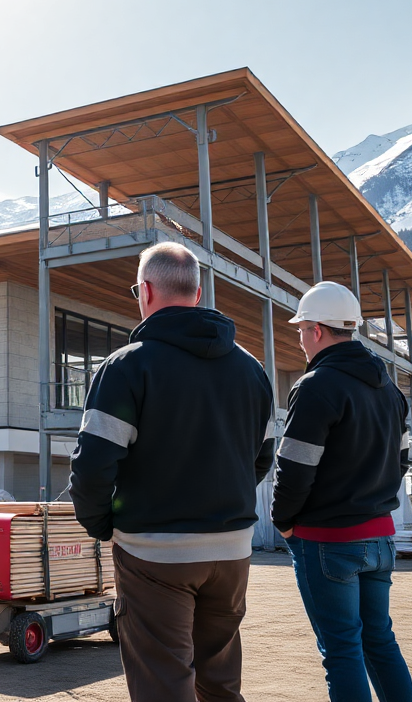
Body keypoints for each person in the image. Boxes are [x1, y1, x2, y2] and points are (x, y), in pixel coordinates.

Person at [70, 242, 273, 702]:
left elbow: (92, 467)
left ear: (145, 291)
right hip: (233, 552)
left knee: (163, 684)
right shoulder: (251, 370)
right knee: (220, 684)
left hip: (154, 554)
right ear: (198, 294)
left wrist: (104, 524)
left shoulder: (127, 367)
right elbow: (261, 458)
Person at [272, 281, 412, 702]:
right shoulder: (389, 390)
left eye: (301, 329)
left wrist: (284, 522)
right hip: (380, 536)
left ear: (317, 330)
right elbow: (401, 460)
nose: (299, 338)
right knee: (380, 642)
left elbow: (294, 468)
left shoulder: (316, 385)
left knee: (342, 651)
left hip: (328, 541)